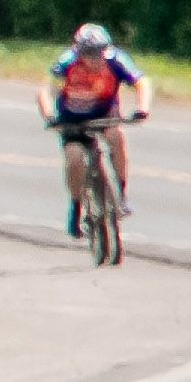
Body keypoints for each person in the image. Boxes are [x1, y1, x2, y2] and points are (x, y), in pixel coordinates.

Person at [45, 21, 152, 232]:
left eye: (98, 53)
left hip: (104, 115)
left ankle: (120, 193)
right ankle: (76, 207)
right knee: (75, 158)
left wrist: (142, 108)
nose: (94, 59)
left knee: (116, 137)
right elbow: (46, 90)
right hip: (72, 121)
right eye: (88, 53)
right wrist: (49, 115)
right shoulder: (68, 62)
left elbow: (142, 83)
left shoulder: (116, 59)